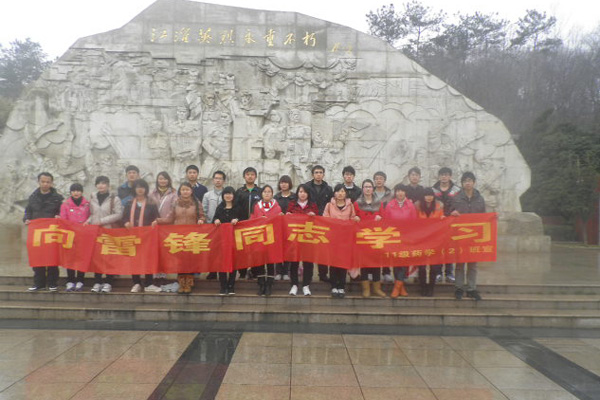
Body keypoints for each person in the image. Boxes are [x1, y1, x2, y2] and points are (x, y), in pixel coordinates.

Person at [155, 182, 206, 294]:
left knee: (190, 260)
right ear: (180, 191)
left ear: (191, 191)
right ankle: (181, 283)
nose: (185, 192)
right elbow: (169, 218)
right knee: (180, 261)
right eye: (183, 190)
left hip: (192, 236)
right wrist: (157, 221)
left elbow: (202, 216)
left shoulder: (196, 203)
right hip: (179, 236)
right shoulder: (175, 203)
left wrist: (201, 220)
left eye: (187, 189)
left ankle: (189, 282)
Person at [24, 172, 64, 292]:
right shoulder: (33, 197)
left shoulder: (58, 198)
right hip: (37, 233)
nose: (45, 184)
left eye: (48, 182)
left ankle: (52, 283)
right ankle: (39, 283)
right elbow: (28, 211)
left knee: (52, 258)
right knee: (38, 257)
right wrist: (26, 219)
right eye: (43, 181)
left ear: (51, 183)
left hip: (51, 232)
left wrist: (59, 216)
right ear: (39, 182)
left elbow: (62, 212)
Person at [451, 172, 486, 301]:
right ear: (462, 183)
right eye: (465, 181)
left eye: (470, 180)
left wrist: (492, 218)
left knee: (473, 264)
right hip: (460, 235)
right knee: (460, 264)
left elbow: (484, 216)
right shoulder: (456, 198)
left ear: (474, 182)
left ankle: (471, 288)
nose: (468, 183)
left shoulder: (480, 198)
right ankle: (459, 288)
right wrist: (452, 213)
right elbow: (449, 214)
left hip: (474, 236)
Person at [85, 176, 122, 293]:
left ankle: (108, 282)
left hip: (108, 231)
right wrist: (88, 221)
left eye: (103, 183)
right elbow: (92, 213)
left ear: (108, 185)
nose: (101, 186)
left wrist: (102, 221)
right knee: (97, 257)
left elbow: (119, 214)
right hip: (95, 232)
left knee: (109, 257)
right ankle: (97, 281)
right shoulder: (93, 197)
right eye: (99, 183)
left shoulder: (114, 199)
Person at [122, 179, 160, 293]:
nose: (140, 189)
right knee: (134, 260)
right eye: (137, 187)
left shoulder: (151, 203)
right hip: (133, 236)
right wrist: (126, 222)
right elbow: (124, 217)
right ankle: (136, 283)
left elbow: (157, 217)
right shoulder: (129, 203)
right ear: (134, 189)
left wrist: (155, 222)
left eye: (142, 187)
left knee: (148, 259)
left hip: (147, 237)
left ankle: (149, 283)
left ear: (146, 189)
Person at [323, 184, 357, 298]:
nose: (340, 193)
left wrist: (355, 219)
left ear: (345, 193)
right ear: (334, 193)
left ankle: (341, 286)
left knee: (343, 263)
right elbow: (325, 220)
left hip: (345, 239)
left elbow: (352, 218)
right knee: (333, 263)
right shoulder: (329, 205)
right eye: (338, 191)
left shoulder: (350, 205)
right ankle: (334, 286)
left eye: (342, 191)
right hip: (333, 238)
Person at [354, 179, 386, 298]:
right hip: (363, 238)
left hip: (376, 237)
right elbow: (353, 217)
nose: (368, 189)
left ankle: (377, 288)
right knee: (364, 263)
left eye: (370, 187)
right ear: (362, 189)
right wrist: (355, 218)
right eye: (365, 187)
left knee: (376, 263)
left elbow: (384, 218)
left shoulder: (379, 203)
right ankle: (366, 289)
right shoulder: (357, 203)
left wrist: (380, 219)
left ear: (373, 189)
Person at [384, 184, 417, 298]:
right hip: (394, 237)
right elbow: (386, 222)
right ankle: (400, 287)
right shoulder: (390, 205)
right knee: (396, 262)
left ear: (405, 192)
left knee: (404, 262)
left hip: (406, 237)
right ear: (395, 192)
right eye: (398, 191)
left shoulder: (411, 205)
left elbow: (414, 222)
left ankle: (397, 287)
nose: (400, 193)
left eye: (402, 191)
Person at [286, 184, 318, 296]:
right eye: (300, 192)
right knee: (294, 261)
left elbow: (318, 221)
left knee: (308, 262)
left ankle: (306, 285)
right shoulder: (292, 204)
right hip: (295, 237)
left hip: (308, 238)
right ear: (297, 193)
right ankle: (294, 285)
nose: (302, 194)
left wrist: (314, 216)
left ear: (308, 194)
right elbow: (287, 218)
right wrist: (288, 215)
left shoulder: (312, 205)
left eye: (304, 192)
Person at [250, 185, 282, 296]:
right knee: (260, 261)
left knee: (270, 261)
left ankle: (269, 285)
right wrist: (260, 220)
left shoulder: (277, 207)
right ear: (261, 193)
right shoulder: (256, 206)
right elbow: (252, 220)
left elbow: (279, 223)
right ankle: (261, 284)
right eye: (265, 191)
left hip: (272, 238)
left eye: (269, 191)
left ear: (272, 194)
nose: (267, 193)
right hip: (259, 238)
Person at [305, 165, 333, 282]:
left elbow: (331, 204)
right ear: (312, 174)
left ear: (323, 174)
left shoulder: (328, 189)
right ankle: (308, 275)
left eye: (321, 172)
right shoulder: (306, 187)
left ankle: (323, 274)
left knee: (323, 249)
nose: (318, 174)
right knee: (309, 249)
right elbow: (303, 201)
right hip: (309, 221)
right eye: (316, 172)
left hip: (323, 221)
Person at [60, 183, 90, 292]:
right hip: (70, 236)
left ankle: (80, 281)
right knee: (70, 258)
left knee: (82, 258)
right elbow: (63, 220)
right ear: (70, 192)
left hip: (83, 236)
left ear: (82, 192)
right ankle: (70, 281)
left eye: (78, 190)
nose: (76, 193)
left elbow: (90, 217)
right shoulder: (65, 205)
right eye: (73, 191)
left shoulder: (87, 205)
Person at [149, 171, 178, 286]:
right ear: (157, 180)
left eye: (165, 179)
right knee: (154, 251)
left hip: (167, 226)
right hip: (154, 226)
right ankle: (155, 275)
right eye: (160, 178)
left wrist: (163, 220)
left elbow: (173, 209)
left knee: (165, 252)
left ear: (168, 180)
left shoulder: (174, 193)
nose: (162, 181)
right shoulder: (152, 193)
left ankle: (163, 275)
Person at [432, 167, 461, 283]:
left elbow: (461, 204)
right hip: (437, 223)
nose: (444, 177)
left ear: (450, 176)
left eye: (446, 174)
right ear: (439, 176)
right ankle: (438, 273)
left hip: (451, 223)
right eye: (442, 175)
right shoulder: (433, 190)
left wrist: (456, 211)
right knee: (438, 248)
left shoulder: (457, 190)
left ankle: (449, 273)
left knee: (450, 248)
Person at [414, 187, 444, 296]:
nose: (428, 197)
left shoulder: (439, 205)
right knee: (421, 266)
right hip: (421, 240)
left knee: (434, 266)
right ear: (423, 196)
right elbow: (413, 222)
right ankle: (423, 287)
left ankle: (431, 287)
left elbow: (441, 221)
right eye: (426, 195)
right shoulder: (417, 206)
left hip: (435, 240)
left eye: (430, 195)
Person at [213, 186, 242, 295]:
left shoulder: (238, 207)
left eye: (230, 194)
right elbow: (214, 219)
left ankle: (231, 286)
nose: (228, 196)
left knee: (233, 263)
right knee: (222, 263)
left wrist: (237, 220)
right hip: (222, 241)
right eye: (226, 194)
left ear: (233, 195)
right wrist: (216, 220)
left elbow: (244, 220)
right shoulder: (220, 207)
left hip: (234, 240)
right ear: (223, 195)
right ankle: (223, 286)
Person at [235, 167, 262, 279]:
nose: (250, 176)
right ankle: (242, 272)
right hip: (242, 225)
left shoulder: (260, 191)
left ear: (255, 177)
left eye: (252, 174)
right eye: (248, 174)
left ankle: (255, 272)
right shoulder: (239, 192)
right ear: (244, 176)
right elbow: (235, 207)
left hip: (256, 226)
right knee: (242, 250)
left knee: (256, 249)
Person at [202, 170, 226, 280]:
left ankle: (222, 271)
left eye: (220, 179)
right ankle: (212, 271)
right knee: (211, 250)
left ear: (223, 181)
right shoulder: (207, 195)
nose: (218, 180)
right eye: (216, 178)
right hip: (211, 227)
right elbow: (204, 211)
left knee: (222, 251)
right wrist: (207, 224)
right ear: (213, 180)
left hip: (224, 227)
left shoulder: (227, 194)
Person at [373, 171, 394, 283]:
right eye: (376, 178)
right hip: (373, 225)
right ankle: (372, 271)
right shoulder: (370, 192)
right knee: (373, 249)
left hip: (386, 225)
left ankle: (386, 272)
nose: (379, 180)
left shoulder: (390, 194)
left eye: (381, 178)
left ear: (384, 180)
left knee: (386, 249)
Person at [274, 175, 296, 281]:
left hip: (290, 227)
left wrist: (291, 214)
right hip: (278, 227)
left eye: (286, 182)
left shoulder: (294, 197)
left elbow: (297, 210)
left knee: (288, 249)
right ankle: (278, 271)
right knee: (278, 248)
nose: (283, 184)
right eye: (282, 182)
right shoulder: (276, 197)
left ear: (289, 184)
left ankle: (286, 271)